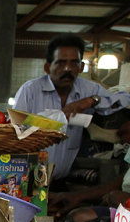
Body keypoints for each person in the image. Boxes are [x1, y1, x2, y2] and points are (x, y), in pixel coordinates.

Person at [13, 34, 130, 184]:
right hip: (28, 179)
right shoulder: (30, 91)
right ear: (47, 67)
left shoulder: (89, 89)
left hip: (61, 180)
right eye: (61, 63)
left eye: (74, 63)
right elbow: (16, 132)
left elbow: (124, 99)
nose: (68, 69)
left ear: (81, 67)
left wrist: (90, 101)